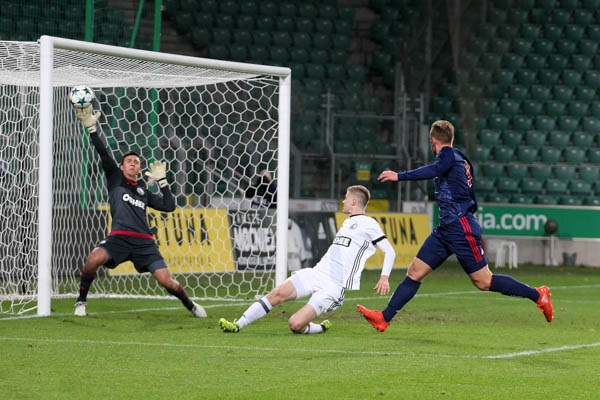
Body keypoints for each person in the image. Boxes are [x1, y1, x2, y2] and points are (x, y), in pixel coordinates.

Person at [357, 120, 553, 332]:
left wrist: (399, 176)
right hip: (446, 229)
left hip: (459, 226)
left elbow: (434, 169)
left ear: (433, 141)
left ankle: (538, 294)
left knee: (484, 281)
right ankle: (384, 318)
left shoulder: (447, 154)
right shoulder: (462, 159)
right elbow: (470, 195)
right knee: (415, 271)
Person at [72, 104, 206, 318]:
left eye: (136, 162)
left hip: (144, 242)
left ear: (140, 169)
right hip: (119, 238)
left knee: (166, 281)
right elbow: (104, 154)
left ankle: (190, 305)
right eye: (129, 161)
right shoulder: (116, 179)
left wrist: (163, 182)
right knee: (92, 260)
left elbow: (169, 206)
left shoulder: (143, 192)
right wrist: (92, 130)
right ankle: (81, 302)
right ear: (122, 167)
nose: (133, 163)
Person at [219, 185, 396, 334]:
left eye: (346, 198)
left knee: (295, 324)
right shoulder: (347, 222)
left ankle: (319, 328)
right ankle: (238, 325)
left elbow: (390, 251)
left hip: (334, 286)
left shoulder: (369, 224)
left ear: (354, 202)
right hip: (317, 273)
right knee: (277, 294)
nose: (343, 201)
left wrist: (384, 277)